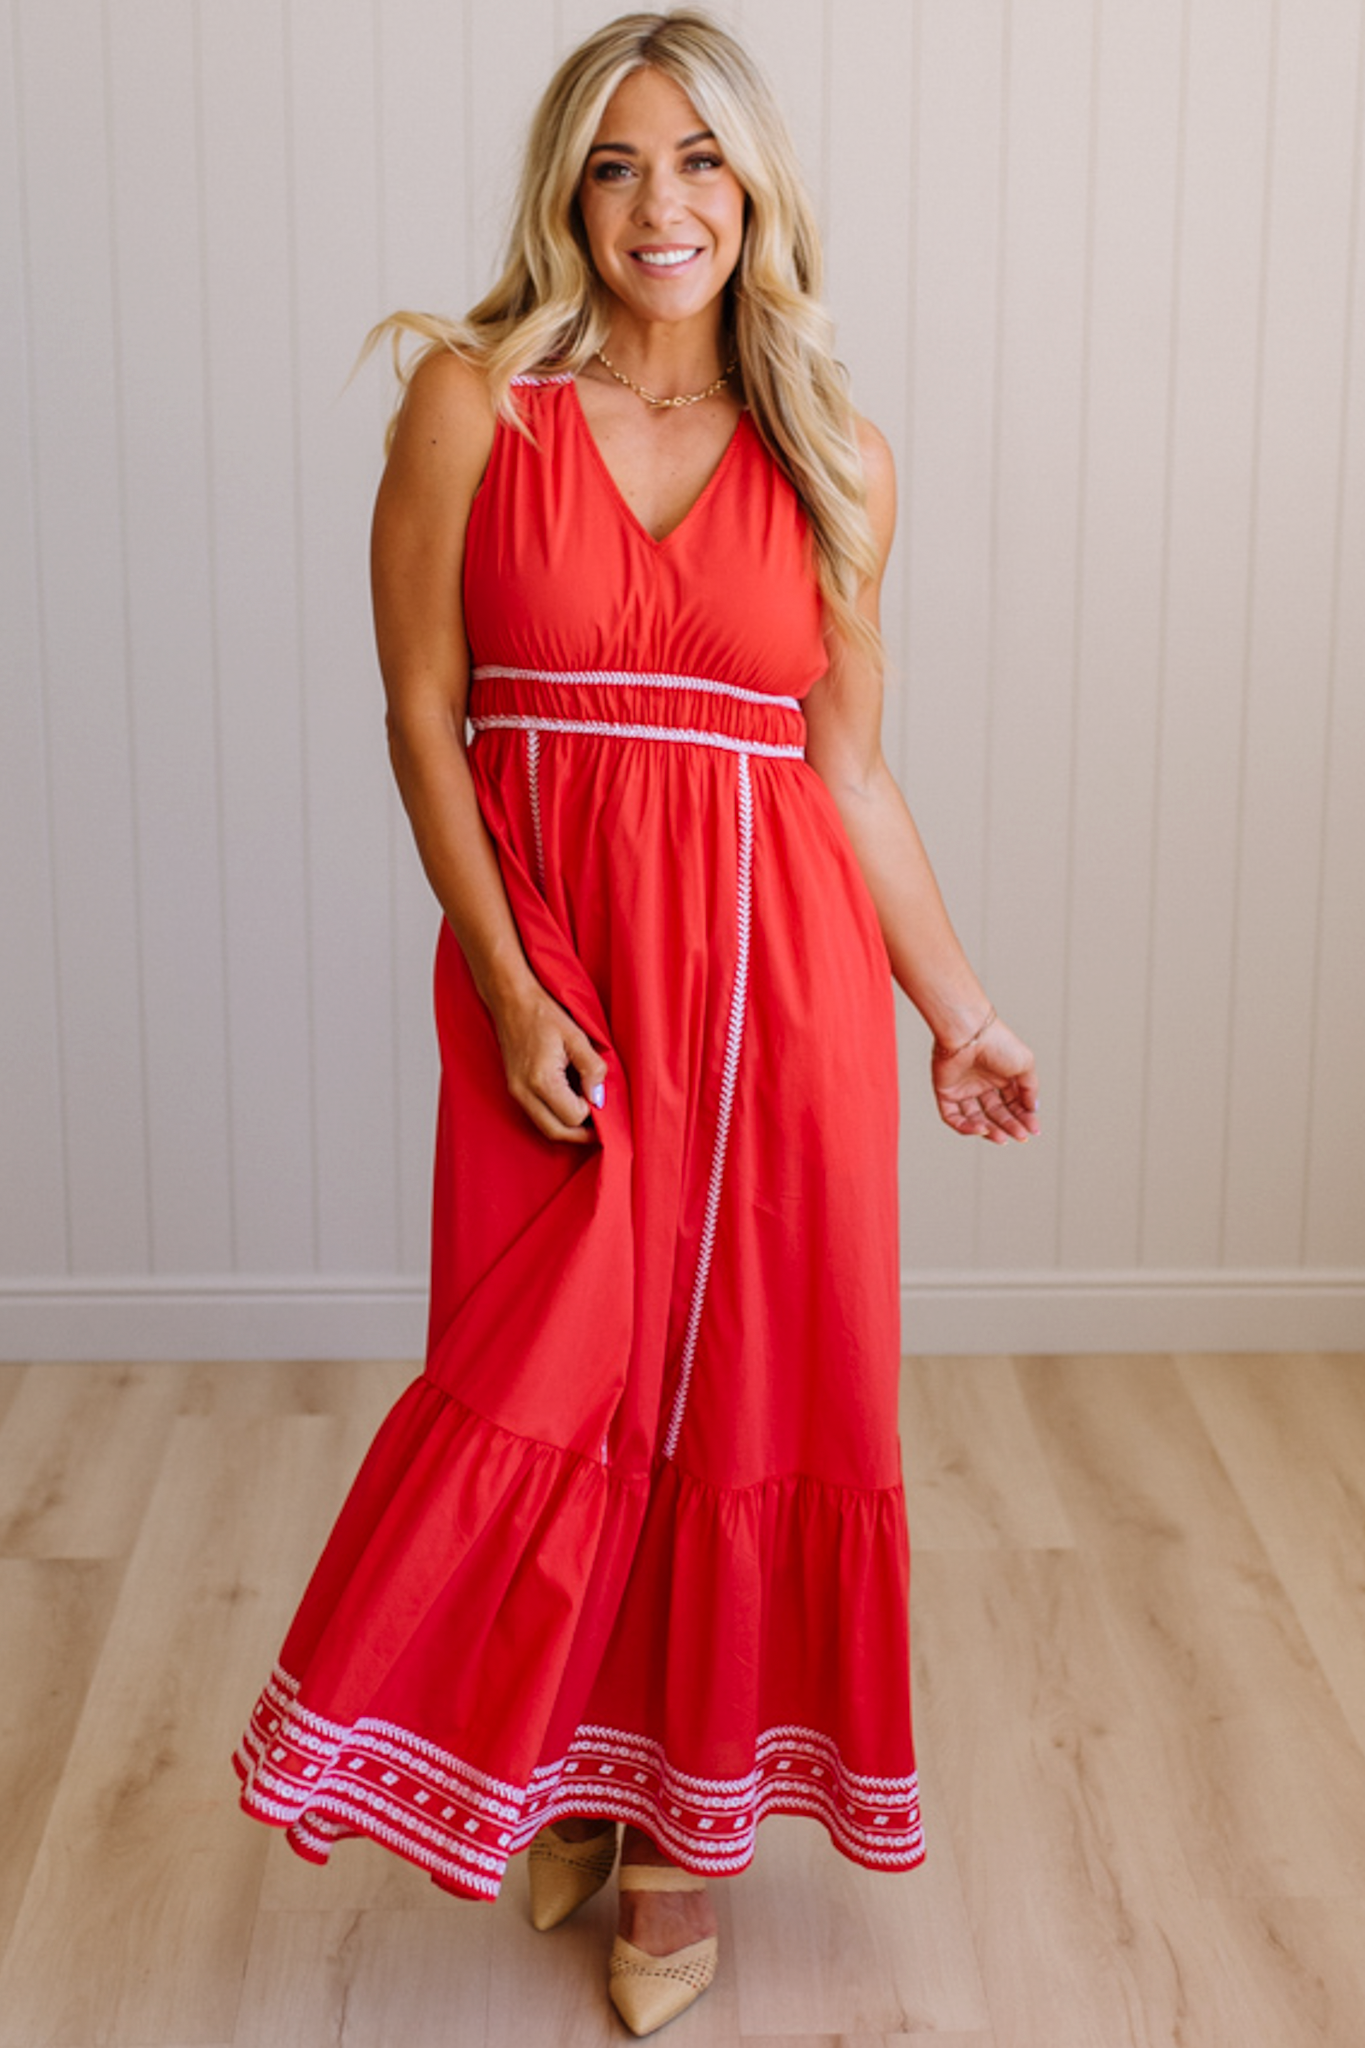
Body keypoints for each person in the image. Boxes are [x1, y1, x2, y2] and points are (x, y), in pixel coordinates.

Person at [234, 10, 1039, 2036]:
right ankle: (572, 1764)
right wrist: (510, 988)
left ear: (754, 188)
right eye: (613, 164)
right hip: (563, 986)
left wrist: (954, 1008)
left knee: (756, 1397)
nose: (658, 205)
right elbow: (424, 716)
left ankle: (676, 1840)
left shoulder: (836, 454)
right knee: (555, 1392)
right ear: (561, 192)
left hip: (783, 1008)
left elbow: (847, 775)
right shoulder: (471, 409)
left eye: (697, 161)